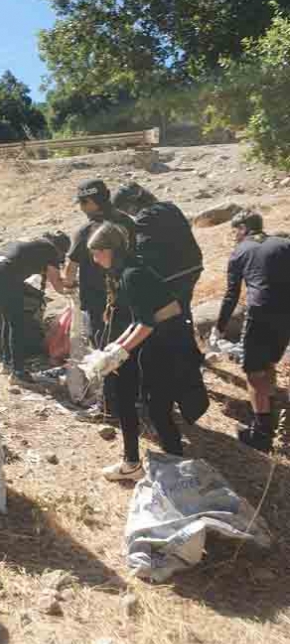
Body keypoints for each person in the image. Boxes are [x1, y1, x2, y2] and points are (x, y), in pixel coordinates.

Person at [86, 223, 208, 481]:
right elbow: (139, 319)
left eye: (97, 253)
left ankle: (175, 471)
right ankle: (134, 463)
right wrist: (115, 347)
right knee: (142, 403)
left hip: (169, 343)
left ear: (110, 250)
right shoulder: (128, 270)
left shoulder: (132, 274)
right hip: (159, 340)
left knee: (158, 409)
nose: (95, 259)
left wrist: (119, 352)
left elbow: (147, 323)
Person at [214, 210, 290, 452]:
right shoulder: (283, 243)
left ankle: (261, 434)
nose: (234, 237)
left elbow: (231, 294)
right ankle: (269, 407)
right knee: (267, 361)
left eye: (235, 230)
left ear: (244, 228)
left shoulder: (240, 251)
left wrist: (220, 326)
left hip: (260, 313)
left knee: (253, 373)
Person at [64, 180, 135, 419]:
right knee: (127, 346)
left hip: (98, 302)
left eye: (84, 202)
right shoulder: (127, 222)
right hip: (128, 295)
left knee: (104, 352)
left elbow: (71, 269)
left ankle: (109, 406)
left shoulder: (86, 231)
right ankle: (135, 396)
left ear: (94, 202)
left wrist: (69, 286)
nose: (82, 207)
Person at [0, 231, 71, 385]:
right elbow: (57, 285)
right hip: (6, 273)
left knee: (10, 319)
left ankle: (8, 364)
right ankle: (18, 372)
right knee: (18, 324)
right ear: (60, 249)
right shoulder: (50, 249)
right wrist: (72, 290)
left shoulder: (36, 243)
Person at [112, 182, 203, 319]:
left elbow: (143, 250)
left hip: (172, 274)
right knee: (183, 309)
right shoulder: (170, 207)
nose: (128, 213)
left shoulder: (145, 216)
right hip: (193, 267)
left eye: (125, 209)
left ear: (131, 204)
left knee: (168, 315)